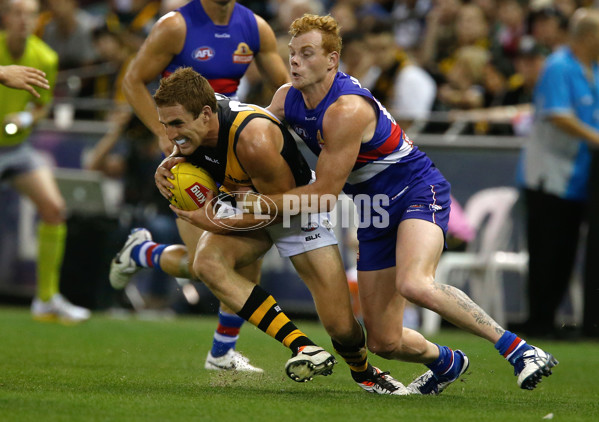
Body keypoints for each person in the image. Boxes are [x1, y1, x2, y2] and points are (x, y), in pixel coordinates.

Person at [168, 14, 559, 394]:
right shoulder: (287, 98)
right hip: (373, 212)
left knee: (414, 282)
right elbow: (246, 131)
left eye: (307, 53)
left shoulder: (346, 110)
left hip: (415, 191)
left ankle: (520, 349)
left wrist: (244, 205)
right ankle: (445, 362)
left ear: (332, 60)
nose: (295, 61)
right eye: (292, 53)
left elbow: (322, 196)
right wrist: (183, 155)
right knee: (384, 341)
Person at [115, 67, 408, 394]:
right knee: (205, 263)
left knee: (342, 329)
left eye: (177, 125)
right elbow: (188, 150)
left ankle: (364, 371)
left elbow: (276, 210)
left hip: (293, 209)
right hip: (246, 202)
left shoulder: (254, 140)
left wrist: (216, 222)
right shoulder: (194, 126)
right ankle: (301, 346)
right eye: (166, 124)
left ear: (207, 114)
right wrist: (168, 163)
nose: (170, 134)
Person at [121, 0, 290, 372]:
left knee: (246, 257)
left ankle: (221, 353)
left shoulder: (255, 27)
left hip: (230, 149)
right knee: (203, 266)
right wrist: (166, 136)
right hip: (188, 159)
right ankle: (143, 252)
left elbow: (286, 87)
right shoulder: (175, 26)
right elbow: (132, 81)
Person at [0, 0, 90, 323]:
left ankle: (46, 299)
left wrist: (25, 117)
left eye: (31, 14)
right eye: (17, 13)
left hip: (17, 147)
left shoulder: (45, 57)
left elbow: (41, 105)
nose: (24, 20)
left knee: (54, 209)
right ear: (5, 16)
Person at [518, 8, 599, 338]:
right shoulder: (559, 65)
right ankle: (539, 320)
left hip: (580, 176)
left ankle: (553, 320)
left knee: (566, 252)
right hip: (548, 175)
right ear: (589, 36)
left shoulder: (592, 69)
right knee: (546, 251)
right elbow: (557, 114)